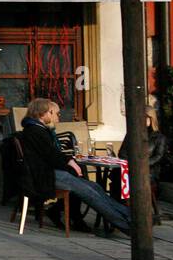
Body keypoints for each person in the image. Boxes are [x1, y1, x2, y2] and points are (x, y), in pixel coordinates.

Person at [20, 97, 131, 234]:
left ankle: (128, 216)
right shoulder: (35, 131)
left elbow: (52, 154)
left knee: (94, 186)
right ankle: (126, 225)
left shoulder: (38, 129)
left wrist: (70, 162)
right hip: (45, 176)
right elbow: (52, 156)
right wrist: (70, 163)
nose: (56, 116)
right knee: (89, 193)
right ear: (43, 113)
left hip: (49, 172)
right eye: (53, 112)